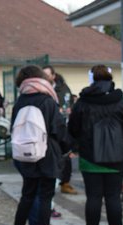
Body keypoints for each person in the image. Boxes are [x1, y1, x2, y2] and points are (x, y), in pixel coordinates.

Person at [68, 64, 123, 225]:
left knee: (94, 197)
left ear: (92, 79)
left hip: (90, 157)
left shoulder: (83, 102)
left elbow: (73, 128)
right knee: (113, 197)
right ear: (110, 78)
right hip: (116, 158)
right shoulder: (122, 102)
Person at [7, 65, 69, 225]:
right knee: (45, 197)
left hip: (25, 155)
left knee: (27, 195)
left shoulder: (20, 102)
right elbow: (58, 129)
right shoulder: (48, 101)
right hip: (47, 154)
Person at [42, 65, 77, 195]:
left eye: (47, 74)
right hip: (48, 128)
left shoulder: (63, 88)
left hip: (62, 125)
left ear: (53, 76)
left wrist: (69, 109)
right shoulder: (41, 88)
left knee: (65, 155)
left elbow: (69, 103)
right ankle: (52, 181)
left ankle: (65, 182)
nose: (45, 77)